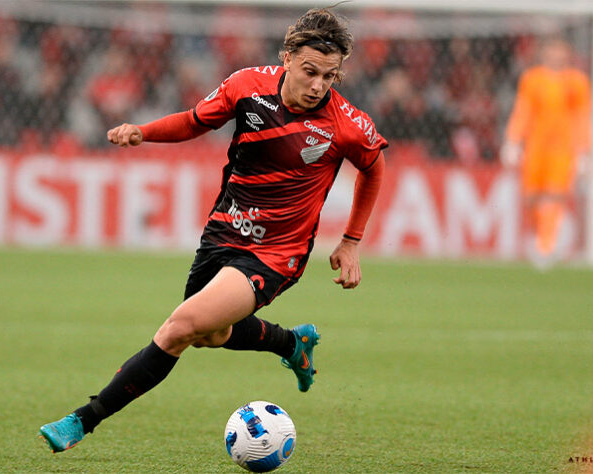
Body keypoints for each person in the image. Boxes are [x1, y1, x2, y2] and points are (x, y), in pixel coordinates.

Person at [38, 7, 387, 453]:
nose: (318, 85)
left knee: (180, 328)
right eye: (309, 71)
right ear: (287, 58)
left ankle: (81, 421)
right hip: (223, 233)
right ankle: (291, 342)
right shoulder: (246, 87)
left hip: (278, 253)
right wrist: (141, 133)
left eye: (330, 76)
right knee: (211, 333)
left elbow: (374, 169)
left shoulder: (346, 125)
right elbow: (193, 120)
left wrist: (352, 241)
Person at [501, 37, 591, 266]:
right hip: (535, 146)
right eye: (552, 50)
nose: (555, 55)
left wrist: (583, 152)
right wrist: (512, 141)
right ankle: (540, 236)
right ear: (544, 53)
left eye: (560, 50)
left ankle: (546, 247)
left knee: (554, 195)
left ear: (568, 53)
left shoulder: (577, 81)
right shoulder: (532, 78)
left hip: (563, 148)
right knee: (531, 197)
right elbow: (523, 111)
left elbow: (582, 118)